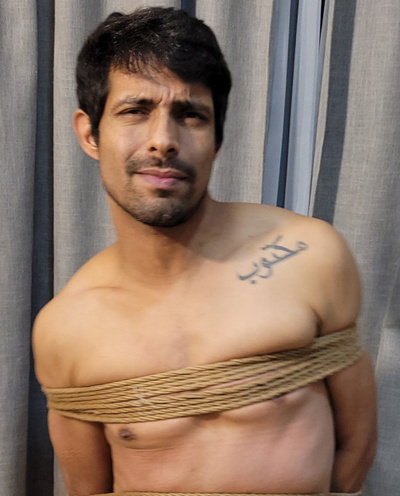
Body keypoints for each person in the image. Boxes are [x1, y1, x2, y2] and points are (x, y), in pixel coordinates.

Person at [33, 7, 377, 496]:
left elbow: (356, 448)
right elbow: (88, 490)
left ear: (217, 138)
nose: (162, 141)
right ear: (90, 134)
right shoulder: (65, 330)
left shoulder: (310, 257)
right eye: (135, 111)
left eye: (190, 115)